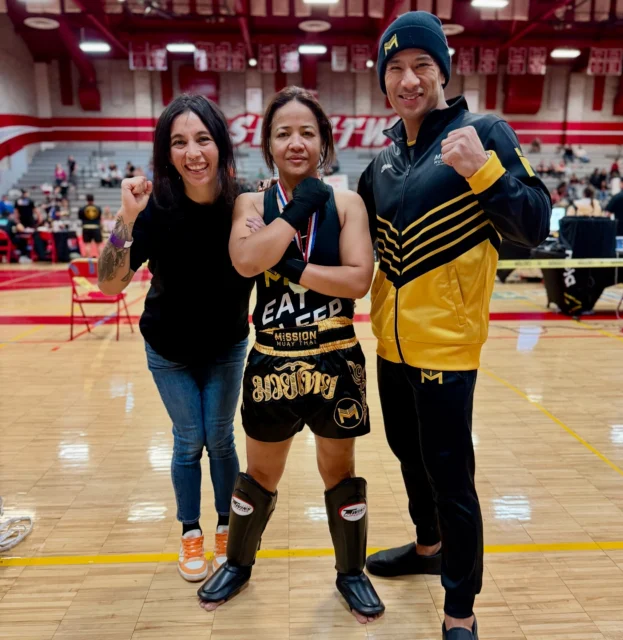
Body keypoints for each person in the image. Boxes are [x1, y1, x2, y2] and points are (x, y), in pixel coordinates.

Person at [357, 12, 551, 639]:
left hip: (447, 348)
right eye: (395, 69)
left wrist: (483, 170)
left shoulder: (483, 132)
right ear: (384, 81)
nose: (408, 80)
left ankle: (459, 607)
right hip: (390, 344)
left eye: (420, 65)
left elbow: (535, 224)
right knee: (405, 454)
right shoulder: (382, 163)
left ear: (442, 70)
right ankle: (428, 546)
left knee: (449, 473)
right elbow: (359, 245)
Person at [196, 86, 384, 624]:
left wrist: (294, 267)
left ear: (324, 141)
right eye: (284, 133)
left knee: (340, 472)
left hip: (335, 359)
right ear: (269, 145)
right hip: (272, 360)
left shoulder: (347, 203)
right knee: (259, 475)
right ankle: (238, 563)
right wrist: (296, 212)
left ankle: (351, 572)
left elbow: (357, 281)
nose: (296, 142)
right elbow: (246, 262)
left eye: (307, 132)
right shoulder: (251, 203)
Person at [97, 95, 254, 583]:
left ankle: (228, 526)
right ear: (166, 153)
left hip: (228, 344)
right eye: (179, 142)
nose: (193, 152)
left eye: (203, 139)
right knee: (190, 441)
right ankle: (191, 530)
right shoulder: (156, 209)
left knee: (222, 439)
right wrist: (126, 215)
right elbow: (109, 283)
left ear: (221, 145)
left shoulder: (243, 201)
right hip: (168, 348)